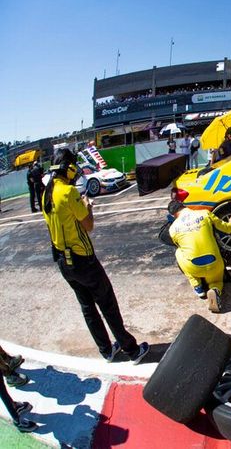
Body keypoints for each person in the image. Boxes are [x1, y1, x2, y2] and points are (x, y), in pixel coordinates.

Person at [42, 149, 149, 364]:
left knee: (88, 308)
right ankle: (132, 351)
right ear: (69, 168)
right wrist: (88, 206)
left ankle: (106, 350)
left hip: (63, 261)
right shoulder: (68, 192)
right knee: (107, 304)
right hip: (83, 260)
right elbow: (88, 225)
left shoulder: (47, 193)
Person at [167, 200, 231, 313]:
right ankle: (215, 290)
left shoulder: (172, 229)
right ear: (184, 206)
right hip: (214, 263)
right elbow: (227, 228)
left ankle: (197, 286)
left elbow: (180, 246)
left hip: (194, 267)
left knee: (179, 252)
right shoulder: (204, 213)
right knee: (217, 281)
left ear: (173, 215)